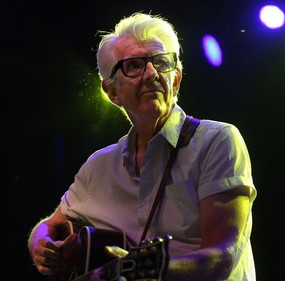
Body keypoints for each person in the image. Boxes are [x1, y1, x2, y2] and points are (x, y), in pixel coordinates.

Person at [28, 12, 257, 281]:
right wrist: (42, 247)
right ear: (112, 91)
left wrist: (140, 270)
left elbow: (222, 257)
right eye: (134, 65)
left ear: (176, 79)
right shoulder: (98, 167)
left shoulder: (217, 141)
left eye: (161, 63)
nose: (151, 74)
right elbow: (49, 226)